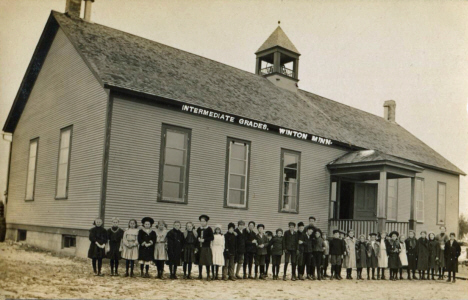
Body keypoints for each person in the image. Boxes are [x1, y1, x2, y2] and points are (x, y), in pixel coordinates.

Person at [197, 215, 214, 280]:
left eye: (203, 221)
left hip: (206, 247)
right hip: (200, 247)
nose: (202, 223)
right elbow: (197, 236)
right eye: (201, 221)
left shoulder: (209, 229)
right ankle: (200, 274)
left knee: (207, 262)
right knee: (200, 262)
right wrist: (198, 238)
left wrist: (205, 240)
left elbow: (212, 237)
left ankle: (208, 275)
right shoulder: (199, 229)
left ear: (206, 222)